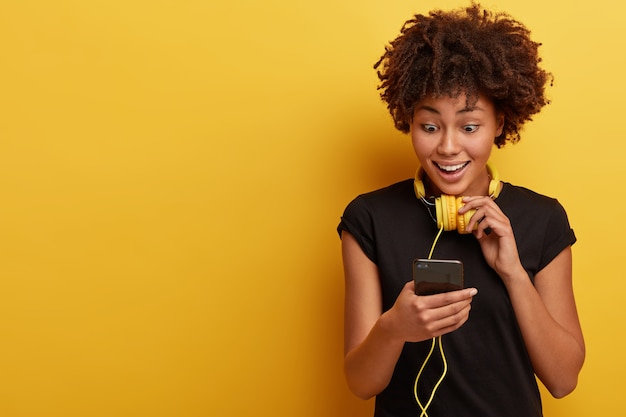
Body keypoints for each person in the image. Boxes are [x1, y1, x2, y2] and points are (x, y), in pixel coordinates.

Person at [337, 3, 585, 416]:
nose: (448, 147)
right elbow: (361, 384)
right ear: (408, 121)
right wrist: (394, 328)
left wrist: (513, 272)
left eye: (469, 126)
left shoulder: (543, 219)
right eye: (429, 126)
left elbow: (564, 380)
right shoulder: (369, 219)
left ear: (501, 123)